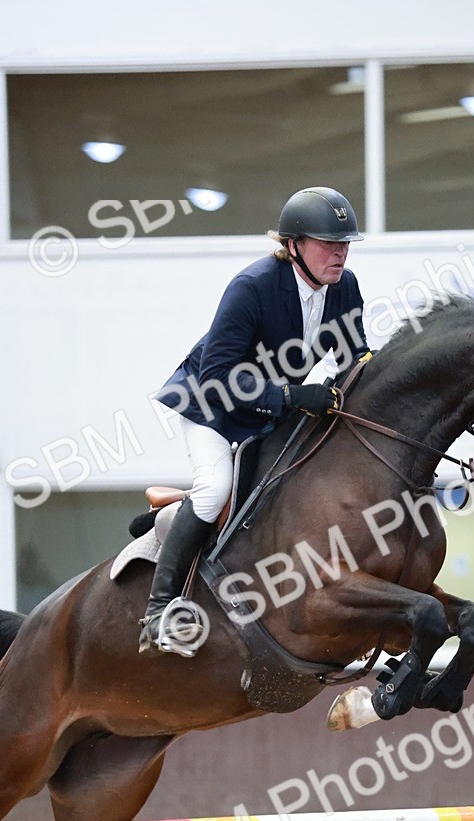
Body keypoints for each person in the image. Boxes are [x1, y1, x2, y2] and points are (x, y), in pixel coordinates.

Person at [140, 185, 370, 657]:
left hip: (272, 410)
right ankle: (160, 611)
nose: (339, 252)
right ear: (293, 246)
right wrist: (289, 394)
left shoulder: (343, 287)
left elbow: (354, 357)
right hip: (213, 406)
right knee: (215, 486)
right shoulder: (253, 286)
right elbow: (217, 374)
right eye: (329, 243)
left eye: (344, 243)